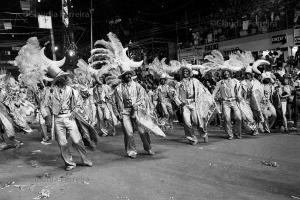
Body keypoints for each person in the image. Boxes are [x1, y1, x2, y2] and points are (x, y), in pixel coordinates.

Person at [50, 73, 93, 171]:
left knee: (77, 140)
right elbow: (46, 104)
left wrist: (74, 112)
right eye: (63, 78)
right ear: (58, 80)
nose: (65, 79)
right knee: (62, 142)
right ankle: (69, 163)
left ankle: (85, 160)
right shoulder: (52, 91)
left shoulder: (72, 90)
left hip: (69, 116)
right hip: (57, 118)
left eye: (65, 78)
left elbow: (79, 102)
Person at [113, 70, 155, 158]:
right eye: (126, 74)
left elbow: (143, 96)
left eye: (129, 74)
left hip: (137, 111)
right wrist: (117, 113)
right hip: (124, 112)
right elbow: (114, 102)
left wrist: (137, 105)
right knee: (129, 132)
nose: (128, 76)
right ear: (123, 76)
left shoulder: (137, 86)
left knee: (142, 131)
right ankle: (131, 151)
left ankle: (148, 148)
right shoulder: (118, 88)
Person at [174, 65, 215, 145]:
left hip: (194, 103)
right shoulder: (179, 84)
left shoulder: (195, 81)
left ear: (189, 73)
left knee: (197, 121)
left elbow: (203, 90)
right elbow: (176, 95)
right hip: (185, 105)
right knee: (187, 122)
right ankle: (192, 138)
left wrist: (208, 98)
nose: (185, 73)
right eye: (184, 72)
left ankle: (204, 133)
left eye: (187, 71)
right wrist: (180, 103)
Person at [213, 69, 242, 140]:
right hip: (225, 102)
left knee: (239, 118)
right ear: (223, 74)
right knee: (227, 118)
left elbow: (239, 88)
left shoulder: (235, 81)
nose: (226, 74)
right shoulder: (220, 82)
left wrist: (239, 95)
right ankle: (230, 134)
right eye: (225, 73)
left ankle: (237, 133)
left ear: (230, 73)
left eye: (227, 72)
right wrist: (211, 98)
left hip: (234, 101)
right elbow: (214, 92)